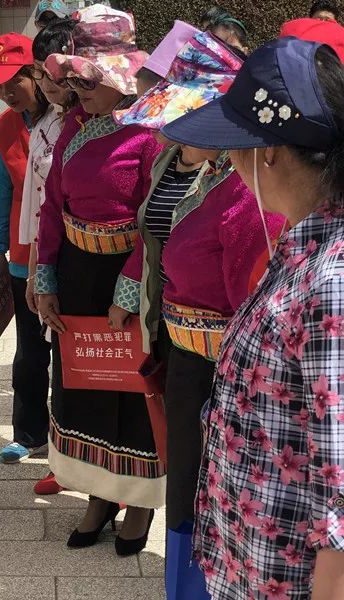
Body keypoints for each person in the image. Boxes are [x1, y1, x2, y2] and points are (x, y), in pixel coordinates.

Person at [162, 36, 344, 599]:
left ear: (267, 150)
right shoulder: (300, 244)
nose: (227, 162)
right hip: (248, 567)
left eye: (232, 145)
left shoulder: (331, 284)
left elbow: (340, 495)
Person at [113, 31, 284, 599]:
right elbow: (153, 243)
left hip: (230, 373)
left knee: (222, 492)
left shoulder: (248, 198)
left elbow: (256, 299)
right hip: (183, 355)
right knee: (186, 488)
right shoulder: (175, 168)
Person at [36, 5, 164, 557]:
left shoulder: (149, 133)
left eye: (89, 79)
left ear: (119, 80)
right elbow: (50, 207)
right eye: (75, 78)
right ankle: (98, 493)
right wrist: (44, 278)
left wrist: (130, 289)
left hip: (126, 277)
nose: (77, 88)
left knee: (131, 387)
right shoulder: (72, 128)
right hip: (76, 274)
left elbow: (153, 219)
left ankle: (137, 502)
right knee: (82, 382)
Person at [0, 33, 52, 466]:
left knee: (75, 350)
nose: (6, 92)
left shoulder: (64, 115)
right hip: (24, 253)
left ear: (35, 73)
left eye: (13, 82)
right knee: (29, 351)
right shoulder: (6, 125)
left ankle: (74, 434)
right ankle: (29, 433)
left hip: (67, 247)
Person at [19, 18, 79, 494]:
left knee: (95, 365)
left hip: (96, 263)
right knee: (63, 362)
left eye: (49, 71)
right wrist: (37, 267)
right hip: (54, 256)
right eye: (39, 72)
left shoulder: (104, 122)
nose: (43, 82)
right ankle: (66, 461)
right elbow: (40, 202)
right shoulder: (48, 122)